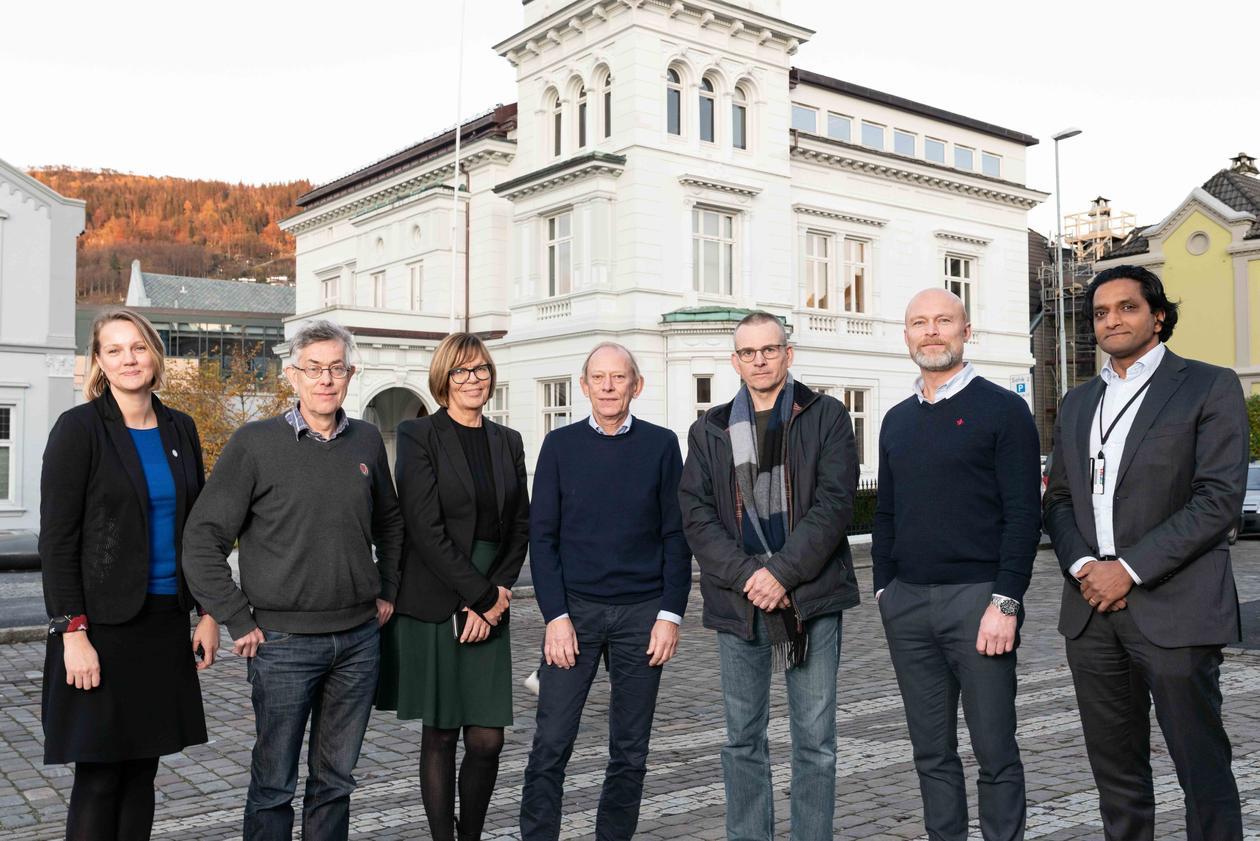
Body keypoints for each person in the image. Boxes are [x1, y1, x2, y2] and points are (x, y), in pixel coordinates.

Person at [1044, 265, 1247, 841]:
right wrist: (1085, 566)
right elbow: (1058, 500)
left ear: (1158, 316)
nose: (1112, 320)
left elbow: (1217, 499)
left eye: (1127, 307)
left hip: (1177, 608)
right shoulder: (1079, 401)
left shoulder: (1208, 385)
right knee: (1116, 773)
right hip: (1091, 612)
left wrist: (1128, 570)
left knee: (1201, 767)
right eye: (1100, 313)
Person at [182, 319, 404, 841]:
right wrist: (236, 617)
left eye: (336, 368)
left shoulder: (367, 441)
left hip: (358, 641)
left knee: (336, 781)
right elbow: (203, 539)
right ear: (292, 375)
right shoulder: (255, 444)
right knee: (273, 784)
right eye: (314, 368)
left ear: (350, 375)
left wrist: (388, 588)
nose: (325, 379)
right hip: (281, 644)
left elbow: (391, 523)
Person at [39, 308, 219, 841]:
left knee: (143, 771)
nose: (129, 359)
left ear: (155, 355)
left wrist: (208, 613)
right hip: (100, 628)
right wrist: (72, 632)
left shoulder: (180, 428)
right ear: (99, 361)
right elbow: (58, 540)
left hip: (163, 625)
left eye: (138, 347)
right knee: (99, 776)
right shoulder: (79, 429)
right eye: (114, 350)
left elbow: (197, 530)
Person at [679, 311, 858, 841]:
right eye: (748, 352)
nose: (759, 360)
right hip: (739, 601)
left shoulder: (827, 416)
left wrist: (780, 573)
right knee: (742, 740)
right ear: (735, 361)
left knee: (815, 742)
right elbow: (696, 515)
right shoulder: (709, 429)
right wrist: (749, 577)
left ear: (788, 353)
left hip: (810, 597)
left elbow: (834, 505)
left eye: (769, 350)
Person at [873, 288, 1041, 841]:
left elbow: (1024, 514)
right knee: (931, 752)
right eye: (919, 322)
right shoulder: (896, 419)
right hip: (908, 605)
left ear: (966, 331)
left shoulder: (1004, 410)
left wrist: (1005, 602)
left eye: (943, 320)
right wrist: (885, 591)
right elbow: (886, 511)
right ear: (906, 335)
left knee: (995, 750)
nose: (931, 331)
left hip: (979, 601)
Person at [519, 342, 690, 841]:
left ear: (637, 385)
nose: (609, 386)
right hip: (574, 614)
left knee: (630, 750)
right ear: (585, 385)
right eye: (599, 377)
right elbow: (542, 539)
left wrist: (670, 615)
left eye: (619, 377)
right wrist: (555, 617)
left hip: (642, 614)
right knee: (551, 743)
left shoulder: (662, 445)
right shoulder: (559, 446)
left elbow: (676, 535)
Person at [375, 333, 527, 841]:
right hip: (438, 598)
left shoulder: (508, 440)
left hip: (492, 593)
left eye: (480, 369)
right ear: (444, 378)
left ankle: (471, 835)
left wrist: (497, 594)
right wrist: (479, 598)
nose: (472, 379)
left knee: (487, 739)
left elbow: (520, 526)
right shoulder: (418, 435)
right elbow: (424, 527)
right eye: (461, 371)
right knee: (440, 733)